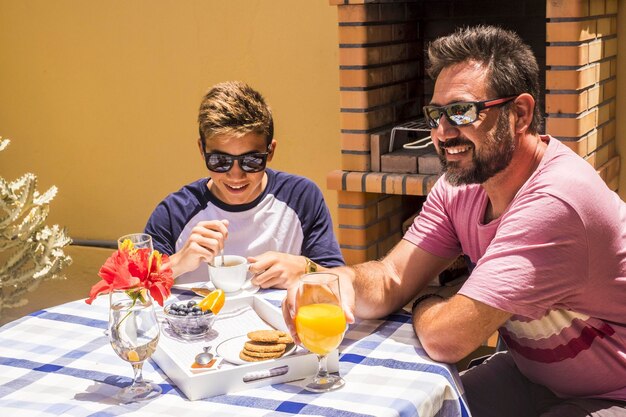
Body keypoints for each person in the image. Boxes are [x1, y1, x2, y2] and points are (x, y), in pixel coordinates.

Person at [283, 25, 626, 416]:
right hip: (532, 375)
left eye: (461, 112)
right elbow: (391, 278)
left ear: (520, 113)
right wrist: (337, 281)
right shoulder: (460, 186)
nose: (443, 133)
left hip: (614, 392)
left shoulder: (556, 202)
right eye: (435, 115)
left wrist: (427, 301)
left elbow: (448, 339)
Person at [145, 81, 344, 289]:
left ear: (271, 151)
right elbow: (116, 292)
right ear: (202, 150)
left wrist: (305, 268)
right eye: (220, 161)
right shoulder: (174, 213)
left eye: (251, 161)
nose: (236, 175)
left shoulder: (301, 197)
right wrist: (176, 263)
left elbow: (340, 283)